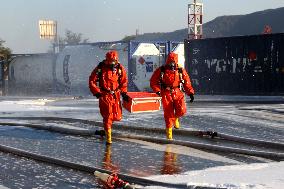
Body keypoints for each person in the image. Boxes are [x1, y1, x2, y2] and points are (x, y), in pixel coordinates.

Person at [150, 52, 194, 140]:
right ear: (167, 61)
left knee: (182, 110)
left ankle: (176, 118)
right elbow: (153, 81)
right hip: (166, 93)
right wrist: (158, 91)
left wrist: (190, 92)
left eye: (173, 63)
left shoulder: (180, 70)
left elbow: (187, 81)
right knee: (168, 114)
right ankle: (169, 134)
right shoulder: (161, 70)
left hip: (177, 91)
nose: (172, 65)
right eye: (170, 62)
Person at [89, 50, 129, 144]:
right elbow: (92, 80)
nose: (112, 63)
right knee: (108, 115)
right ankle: (109, 139)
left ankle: (106, 129)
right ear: (107, 60)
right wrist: (97, 92)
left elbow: (123, 81)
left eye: (114, 61)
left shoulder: (119, 68)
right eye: (111, 61)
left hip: (116, 95)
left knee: (117, 116)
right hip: (105, 95)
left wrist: (124, 93)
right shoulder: (100, 68)